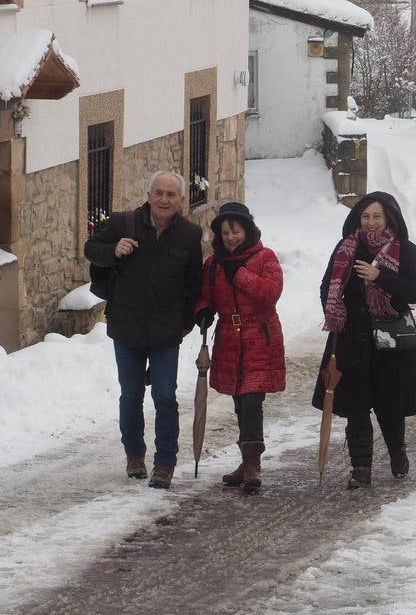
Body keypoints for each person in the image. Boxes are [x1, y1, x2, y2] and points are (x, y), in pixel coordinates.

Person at [84, 171, 202, 490]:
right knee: (131, 396)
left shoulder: (190, 235)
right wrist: (113, 250)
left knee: (165, 395)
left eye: (171, 195)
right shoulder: (123, 223)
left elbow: (193, 286)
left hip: (166, 333)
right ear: (148, 196)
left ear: (181, 201)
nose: (164, 200)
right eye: (158, 193)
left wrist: (184, 325)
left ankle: (165, 462)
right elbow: (90, 249)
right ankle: (134, 454)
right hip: (127, 327)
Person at [312, 191, 416, 489]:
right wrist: (334, 309)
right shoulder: (346, 247)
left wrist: (379, 276)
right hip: (351, 335)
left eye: (376, 216)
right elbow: (327, 285)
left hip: (391, 337)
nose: (370, 222)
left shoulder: (405, 250)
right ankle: (361, 468)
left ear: (389, 218)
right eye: (365, 216)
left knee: (390, 404)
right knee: (355, 405)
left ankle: (397, 453)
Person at [194, 202, 286, 494]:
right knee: (239, 402)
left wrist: (240, 275)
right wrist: (203, 310)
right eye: (225, 233)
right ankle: (247, 460)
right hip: (229, 339)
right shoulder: (213, 264)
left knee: (251, 402)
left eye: (235, 231)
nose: (230, 238)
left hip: (260, 337)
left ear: (247, 230)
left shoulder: (265, 257)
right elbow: (205, 294)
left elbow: (270, 293)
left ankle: (252, 464)